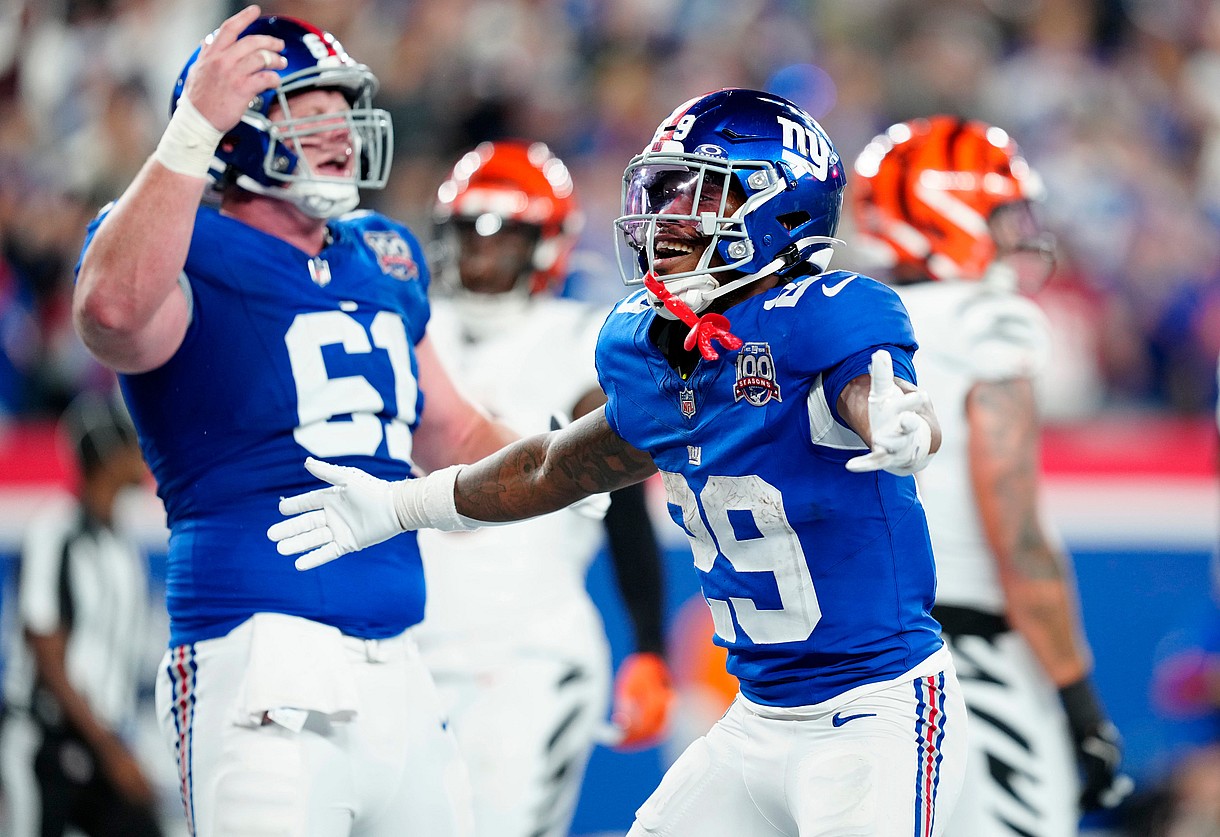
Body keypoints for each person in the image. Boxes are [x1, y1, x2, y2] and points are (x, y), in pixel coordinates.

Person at [270, 87, 970, 836]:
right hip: (760, 718)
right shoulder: (657, 348)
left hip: (879, 710)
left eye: (696, 193)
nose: (667, 216)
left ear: (779, 208)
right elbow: (549, 470)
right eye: (662, 193)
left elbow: (877, 390)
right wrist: (399, 508)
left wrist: (902, 422)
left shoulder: (826, 314)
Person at [71, 6, 521, 835]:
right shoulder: (182, 243)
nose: (339, 129)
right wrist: (188, 133)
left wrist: (569, 459)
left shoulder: (381, 252)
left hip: (401, 664)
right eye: (307, 107)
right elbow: (110, 310)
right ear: (232, 129)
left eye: (344, 107)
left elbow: (451, 432)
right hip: (259, 655)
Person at [850, 115, 1132, 836]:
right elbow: (1018, 538)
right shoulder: (990, 322)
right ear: (945, 211)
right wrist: (1079, 700)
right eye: (1003, 213)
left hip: (840, 663)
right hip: (961, 655)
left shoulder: (842, 321)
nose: (1021, 234)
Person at [417, 138, 673, 836]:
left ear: (548, 242)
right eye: (469, 231)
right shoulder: (410, 328)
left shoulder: (585, 341)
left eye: (503, 234)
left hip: (526, 656)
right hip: (402, 652)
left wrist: (648, 645)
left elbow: (623, 505)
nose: (481, 251)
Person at [0, 391, 161, 837]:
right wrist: (112, 751)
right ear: (108, 453)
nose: (139, 453)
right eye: (129, 443)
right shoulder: (57, 530)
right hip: (46, 739)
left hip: (102, 738)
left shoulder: (121, 547)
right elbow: (47, 651)